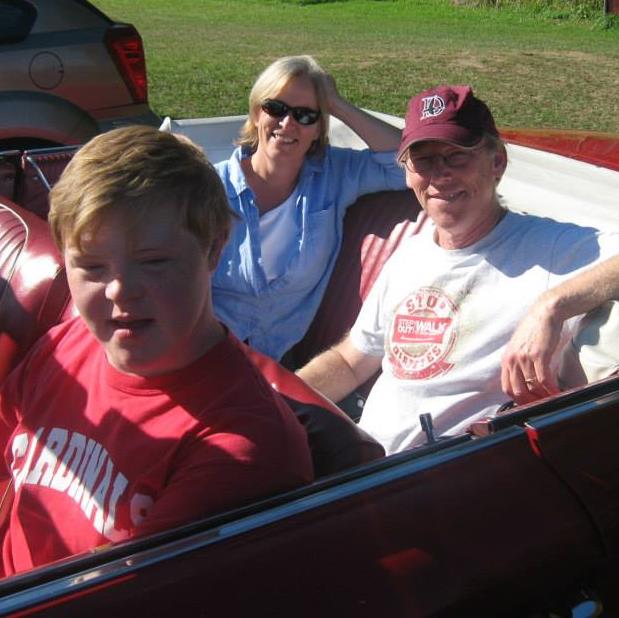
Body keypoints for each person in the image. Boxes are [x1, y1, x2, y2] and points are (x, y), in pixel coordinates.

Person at [0, 126, 313, 576]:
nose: (119, 290)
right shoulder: (65, 345)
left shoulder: (243, 448)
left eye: (154, 262)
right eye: (91, 266)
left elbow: (114, 598)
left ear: (213, 249)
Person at [297, 84, 619, 455]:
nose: (440, 175)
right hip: (362, 464)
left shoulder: (550, 248)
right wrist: (276, 400)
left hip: (444, 470)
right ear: (407, 172)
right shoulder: (409, 255)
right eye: (423, 160)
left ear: (497, 162)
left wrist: (552, 306)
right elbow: (349, 362)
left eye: (456, 156)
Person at [213, 55, 407, 361]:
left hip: (276, 359)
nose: (287, 123)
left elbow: (408, 163)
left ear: (319, 128)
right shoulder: (209, 187)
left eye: (305, 115)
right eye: (275, 108)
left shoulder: (334, 175)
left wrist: (338, 105)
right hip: (201, 349)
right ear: (257, 113)